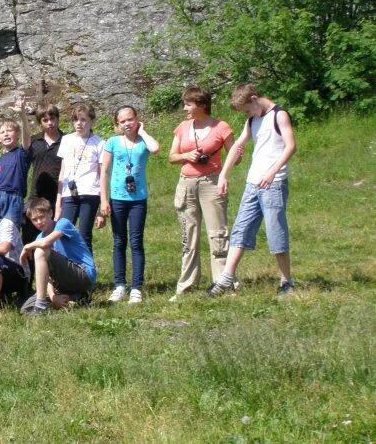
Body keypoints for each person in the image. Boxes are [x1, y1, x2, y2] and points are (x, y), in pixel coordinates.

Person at [207, 84, 297, 297]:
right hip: (253, 183)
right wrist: (223, 175)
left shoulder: (279, 115)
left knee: (276, 231)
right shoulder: (252, 120)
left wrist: (273, 172)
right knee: (241, 229)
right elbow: (238, 145)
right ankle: (226, 279)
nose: (247, 114)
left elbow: (291, 146)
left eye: (247, 110)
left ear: (255, 98)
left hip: (273, 184)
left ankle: (287, 282)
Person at [167, 87, 234, 300]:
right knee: (189, 237)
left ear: (201, 105)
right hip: (186, 183)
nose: (185, 108)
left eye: (188, 104)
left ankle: (222, 283)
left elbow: (235, 155)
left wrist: (222, 172)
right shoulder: (183, 127)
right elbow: (172, 157)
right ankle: (186, 285)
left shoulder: (221, 127)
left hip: (212, 183)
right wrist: (188, 155)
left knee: (218, 234)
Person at [99, 106, 160, 304]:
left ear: (137, 119)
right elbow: (104, 172)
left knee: (136, 242)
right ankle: (119, 285)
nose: (127, 123)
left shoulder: (143, 141)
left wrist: (142, 131)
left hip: (138, 200)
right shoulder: (113, 142)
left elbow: (156, 148)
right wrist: (104, 199)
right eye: (122, 121)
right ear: (117, 124)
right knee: (118, 242)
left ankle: (136, 287)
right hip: (117, 198)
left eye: (130, 119)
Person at [20, 197, 95, 315]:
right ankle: (77, 297)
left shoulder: (63, 223)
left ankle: (41, 306)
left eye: (42, 217)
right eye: (34, 219)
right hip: (61, 282)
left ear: (51, 213)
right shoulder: (39, 238)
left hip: (82, 274)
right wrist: (53, 296)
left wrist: (27, 247)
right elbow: (47, 275)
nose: (39, 222)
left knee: (40, 250)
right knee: (26, 308)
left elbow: (46, 243)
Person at [55, 103, 105, 255]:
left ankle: (87, 274)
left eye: (83, 120)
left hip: (90, 193)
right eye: (76, 120)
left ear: (92, 121)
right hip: (69, 193)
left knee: (84, 235)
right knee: (62, 232)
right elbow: (62, 173)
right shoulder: (66, 140)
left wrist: (102, 207)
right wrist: (58, 203)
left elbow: (102, 174)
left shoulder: (100, 143)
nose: (79, 123)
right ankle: (65, 271)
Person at [0, 96, 31, 227]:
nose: (6, 134)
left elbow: (27, 137)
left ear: (17, 135)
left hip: (14, 198)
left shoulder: (21, 154)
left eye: (9, 131)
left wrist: (22, 114)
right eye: (2, 132)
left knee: (11, 233)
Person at [25, 103, 65, 254]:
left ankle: (54, 275)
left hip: (58, 196)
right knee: (30, 237)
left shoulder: (67, 140)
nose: (50, 123)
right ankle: (28, 276)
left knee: (55, 240)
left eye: (52, 118)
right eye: (45, 120)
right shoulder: (35, 141)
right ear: (40, 122)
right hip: (36, 195)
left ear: (57, 119)